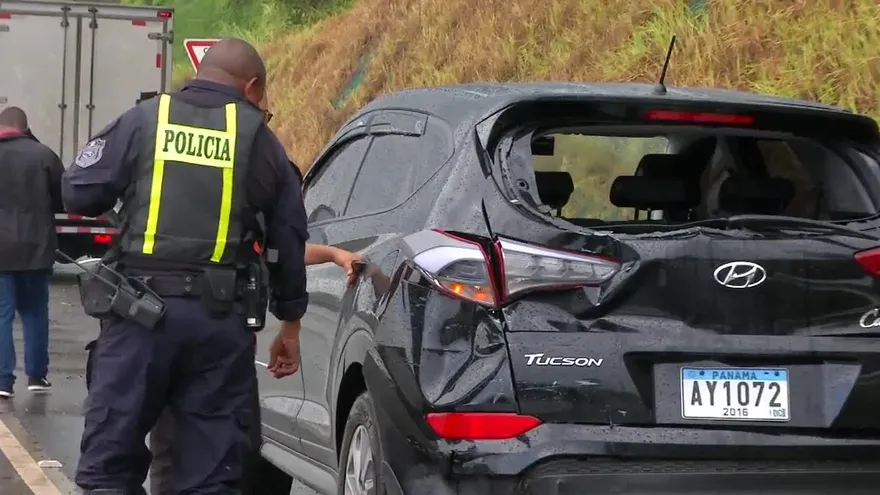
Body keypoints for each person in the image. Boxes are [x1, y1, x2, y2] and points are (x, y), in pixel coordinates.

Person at [62, 38, 309, 494]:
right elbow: (289, 241)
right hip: (219, 327)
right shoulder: (261, 141)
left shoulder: (144, 120)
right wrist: (291, 322)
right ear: (252, 86)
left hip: (137, 320)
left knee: (109, 468)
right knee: (210, 476)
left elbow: (78, 191)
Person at [146, 87, 363, 495]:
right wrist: (291, 327)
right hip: (219, 339)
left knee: (174, 450)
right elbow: (279, 251)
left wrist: (334, 253)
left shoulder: (181, 173)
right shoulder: (257, 173)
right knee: (227, 451)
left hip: (162, 330)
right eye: (263, 118)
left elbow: (276, 250)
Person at [0, 106, 64, 398]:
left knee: (1, 316)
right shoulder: (43, 154)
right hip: (37, 249)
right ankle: (37, 376)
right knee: (35, 313)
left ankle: (3, 381)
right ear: (26, 128)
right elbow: (63, 200)